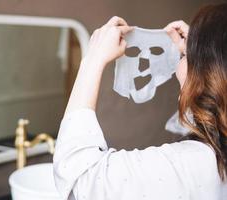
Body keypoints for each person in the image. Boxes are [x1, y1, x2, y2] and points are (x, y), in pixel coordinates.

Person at [53, 3, 227, 200]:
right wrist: (202, 49)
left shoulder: (191, 166)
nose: (180, 64)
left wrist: (92, 59)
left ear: (210, 73)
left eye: (185, 56)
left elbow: (79, 181)